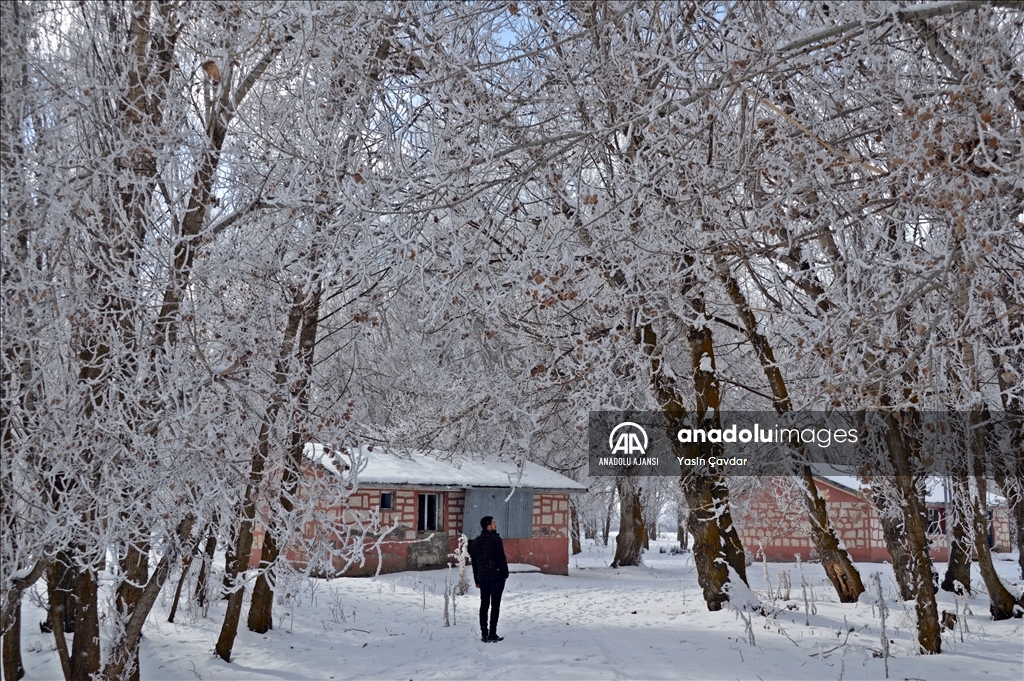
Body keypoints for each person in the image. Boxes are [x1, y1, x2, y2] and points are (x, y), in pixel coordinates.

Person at [468, 515, 509, 642]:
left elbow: (474, 563)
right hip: (496, 577)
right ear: (489, 526)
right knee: (495, 605)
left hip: (483, 578)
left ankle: (484, 633)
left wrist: (477, 580)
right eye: (494, 522)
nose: (495, 524)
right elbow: (501, 558)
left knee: (484, 605)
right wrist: (504, 573)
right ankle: (492, 633)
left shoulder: (476, 542)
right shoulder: (496, 540)